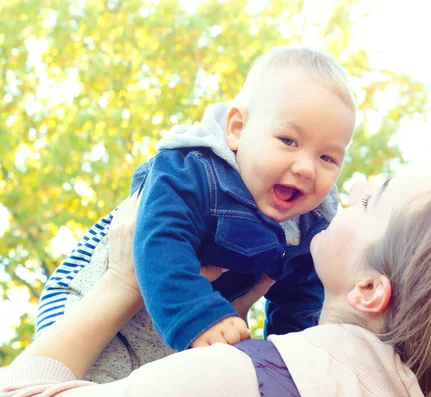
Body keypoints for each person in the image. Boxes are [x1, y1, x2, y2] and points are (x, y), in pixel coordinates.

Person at [1, 172, 431, 396]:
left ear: (368, 290)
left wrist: (120, 284)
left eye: (370, 200)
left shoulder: (252, 379)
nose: (349, 186)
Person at [33, 46, 357, 382]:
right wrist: (201, 316)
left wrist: (296, 366)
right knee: (78, 382)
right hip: (91, 295)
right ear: (237, 129)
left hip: (168, 329)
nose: (306, 168)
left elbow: (300, 303)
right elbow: (162, 240)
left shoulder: (310, 225)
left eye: (328, 158)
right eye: (289, 140)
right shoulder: (193, 168)